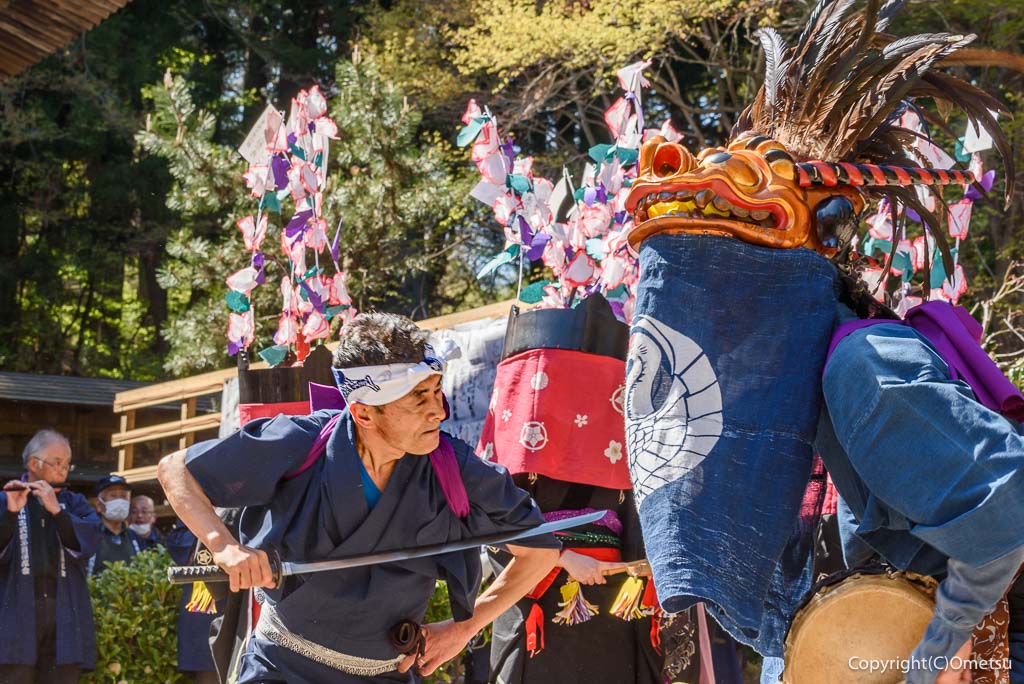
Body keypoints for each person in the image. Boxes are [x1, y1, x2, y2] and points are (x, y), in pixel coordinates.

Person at [158, 312, 561, 683]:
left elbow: (540, 551)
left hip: (387, 673)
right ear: (364, 413)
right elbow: (176, 469)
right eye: (418, 399)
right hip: (282, 667)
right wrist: (224, 548)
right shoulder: (301, 443)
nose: (438, 411)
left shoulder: (455, 468)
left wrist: (465, 628)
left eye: (437, 392)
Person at [0, 429, 101, 682]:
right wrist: (11, 514)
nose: (63, 469)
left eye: (67, 464)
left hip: (63, 610)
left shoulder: (74, 501)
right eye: (57, 462)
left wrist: (57, 511)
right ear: (34, 463)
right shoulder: (5, 498)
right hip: (15, 611)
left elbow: (89, 540)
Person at [166, 520, 221, 684]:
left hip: (244, 597)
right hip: (207, 605)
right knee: (209, 672)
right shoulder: (197, 501)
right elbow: (178, 542)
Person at [89, 475, 142, 575]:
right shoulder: (89, 537)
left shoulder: (135, 538)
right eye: (113, 496)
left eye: (123, 496)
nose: (120, 501)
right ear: (99, 505)